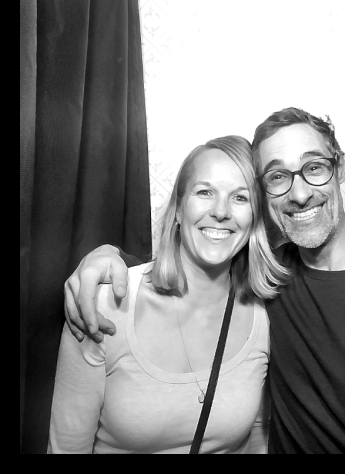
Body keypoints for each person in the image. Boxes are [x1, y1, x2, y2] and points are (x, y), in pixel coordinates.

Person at [63, 107, 345, 453]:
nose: (300, 194)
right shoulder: (270, 279)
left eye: (314, 167)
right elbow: (191, 267)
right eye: (278, 177)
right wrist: (108, 260)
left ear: (340, 168)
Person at [48, 135, 285, 453]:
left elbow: (258, 437)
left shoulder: (264, 317)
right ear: (178, 209)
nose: (220, 211)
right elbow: (67, 447)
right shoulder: (104, 306)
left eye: (240, 198)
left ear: (254, 219)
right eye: (204, 192)